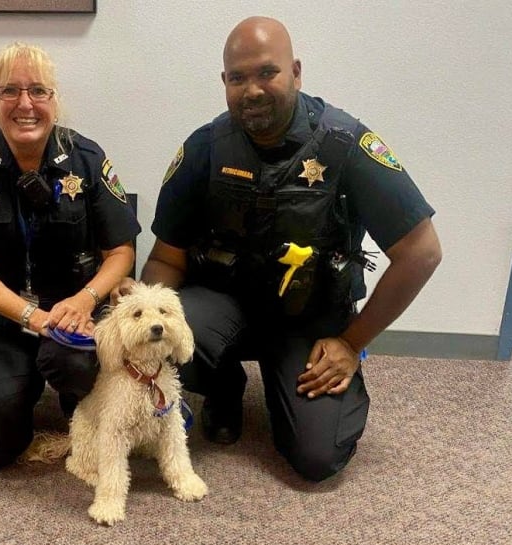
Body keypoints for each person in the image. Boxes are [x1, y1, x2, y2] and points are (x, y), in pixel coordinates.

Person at [118, 17, 441, 482]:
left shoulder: (344, 144)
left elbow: (421, 251)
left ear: (296, 71)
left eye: (266, 73)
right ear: (224, 82)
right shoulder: (205, 148)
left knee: (317, 458)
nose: (252, 90)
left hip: (308, 315)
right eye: (238, 78)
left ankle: (285, 383)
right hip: (222, 303)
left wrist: (352, 343)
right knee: (158, 342)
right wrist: (140, 309)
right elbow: (169, 256)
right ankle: (224, 388)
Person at [0, 42, 141, 470]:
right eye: (9, 91)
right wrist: (35, 319)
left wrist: (85, 300)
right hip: (6, 320)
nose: (24, 104)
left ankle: (70, 391)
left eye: (38, 91)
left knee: (82, 376)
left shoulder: (86, 160)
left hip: (75, 314)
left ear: (54, 100)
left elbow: (121, 252)